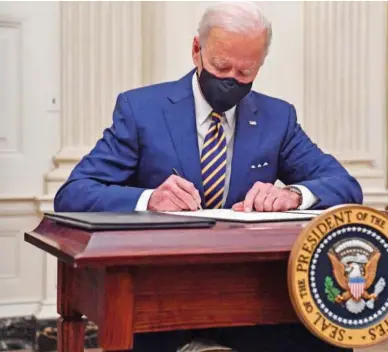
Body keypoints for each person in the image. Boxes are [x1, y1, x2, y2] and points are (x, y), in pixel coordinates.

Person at [54, 1, 361, 351]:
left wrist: (293, 193)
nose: (231, 80)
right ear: (197, 50)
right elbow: (74, 193)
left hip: (254, 295)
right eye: (221, 66)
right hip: (158, 294)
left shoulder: (278, 118)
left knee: (330, 337)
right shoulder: (142, 110)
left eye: (245, 73)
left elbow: (344, 185)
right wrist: (148, 200)